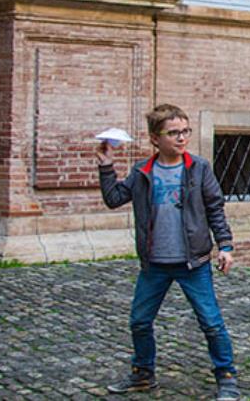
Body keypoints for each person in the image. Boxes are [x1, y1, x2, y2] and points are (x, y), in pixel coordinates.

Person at [97, 104, 240, 400]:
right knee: (139, 321)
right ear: (155, 138)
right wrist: (105, 166)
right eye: (173, 133)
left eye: (185, 131)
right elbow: (113, 199)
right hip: (155, 264)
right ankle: (142, 374)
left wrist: (225, 246)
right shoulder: (142, 171)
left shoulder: (198, 168)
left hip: (194, 262)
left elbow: (215, 209)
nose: (181, 138)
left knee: (211, 323)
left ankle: (226, 377)